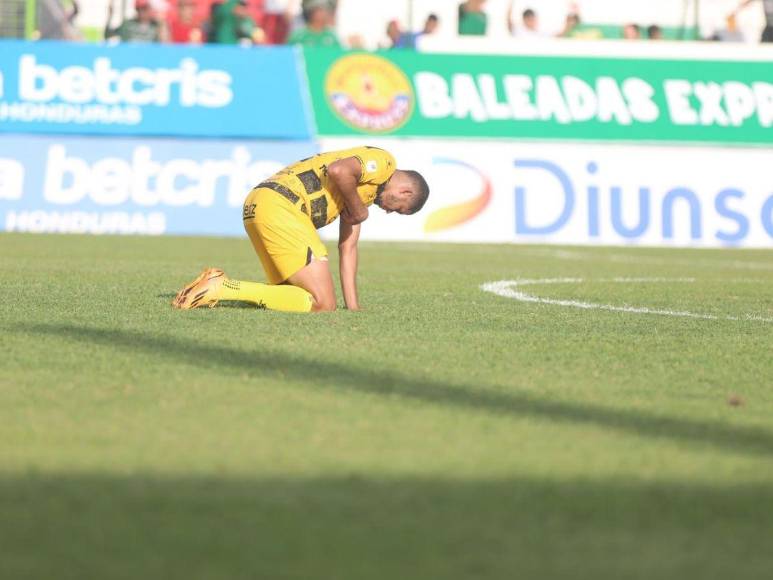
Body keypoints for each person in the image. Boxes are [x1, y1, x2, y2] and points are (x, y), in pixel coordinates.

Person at [172, 147, 430, 313]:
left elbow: (348, 247)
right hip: (283, 206)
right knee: (323, 304)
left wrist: (353, 307)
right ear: (405, 191)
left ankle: (215, 286)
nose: (388, 211)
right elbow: (338, 170)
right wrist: (359, 209)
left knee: (296, 299)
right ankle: (221, 286)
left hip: (259, 203)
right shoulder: (384, 161)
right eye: (398, 208)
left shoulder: (362, 192)